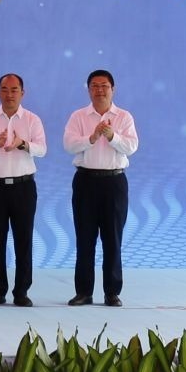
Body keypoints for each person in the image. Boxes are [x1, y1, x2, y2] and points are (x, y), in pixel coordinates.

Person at [63, 68, 137, 306]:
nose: (99, 90)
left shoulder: (124, 117)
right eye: (94, 86)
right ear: (88, 90)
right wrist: (92, 138)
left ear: (112, 89)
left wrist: (112, 136)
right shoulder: (79, 116)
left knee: (112, 239)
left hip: (114, 182)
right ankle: (84, 292)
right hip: (86, 182)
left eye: (104, 86)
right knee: (85, 239)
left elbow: (131, 147)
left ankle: (112, 292)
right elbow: (69, 145)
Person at [0, 72, 47, 307]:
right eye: (5, 90)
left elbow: (42, 149)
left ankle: (21, 291)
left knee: (23, 241)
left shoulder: (32, 120)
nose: (9, 95)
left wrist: (22, 144)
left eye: (14, 90)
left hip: (23, 187)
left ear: (22, 93)